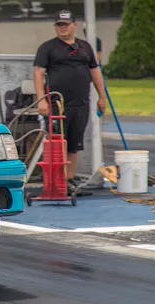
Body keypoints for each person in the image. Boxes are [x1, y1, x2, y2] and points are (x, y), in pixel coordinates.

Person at [33, 10, 106, 194]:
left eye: (65, 24)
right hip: (57, 104)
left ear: (74, 25)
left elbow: (95, 71)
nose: (62, 28)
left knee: (74, 143)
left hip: (81, 102)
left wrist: (102, 97)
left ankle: (69, 180)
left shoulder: (85, 47)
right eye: (59, 25)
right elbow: (38, 73)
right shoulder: (47, 48)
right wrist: (41, 100)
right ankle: (57, 181)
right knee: (58, 142)